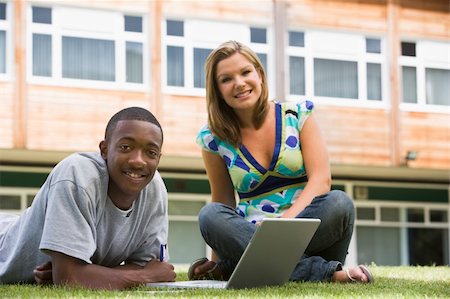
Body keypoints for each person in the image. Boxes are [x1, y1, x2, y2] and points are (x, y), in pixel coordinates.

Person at [190, 40, 373, 284]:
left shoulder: (298, 115)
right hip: (251, 234)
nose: (239, 83)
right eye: (226, 79)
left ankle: (245, 265)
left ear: (260, 75)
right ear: (218, 90)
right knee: (209, 215)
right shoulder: (213, 139)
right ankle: (326, 273)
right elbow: (223, 201)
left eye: (246, 72)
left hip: (308, 228)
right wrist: (216, 262)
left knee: (339, 202)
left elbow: (321, 180)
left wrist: (281, 228)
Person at [0, 107, 176, 289]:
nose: (138, 161)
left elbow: (153, 267)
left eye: (151, 153)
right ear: (105, 150)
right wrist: (144, 277)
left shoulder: (154, 188)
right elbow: (69, 278)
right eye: (125, 147)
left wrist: (85, 272)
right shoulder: (77, 174)